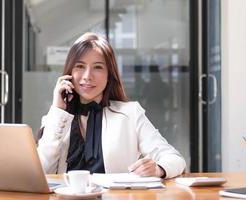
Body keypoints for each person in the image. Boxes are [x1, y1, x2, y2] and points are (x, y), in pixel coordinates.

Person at [37, 32, 186, 178]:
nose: (87, 76)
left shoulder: (130, 114)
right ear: (69, 72)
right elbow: (41, 172)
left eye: (98, 67)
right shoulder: (56, 118)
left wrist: (158, 169)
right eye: (80, 66)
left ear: (110, 75)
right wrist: (58, 110)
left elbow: (174, 159)